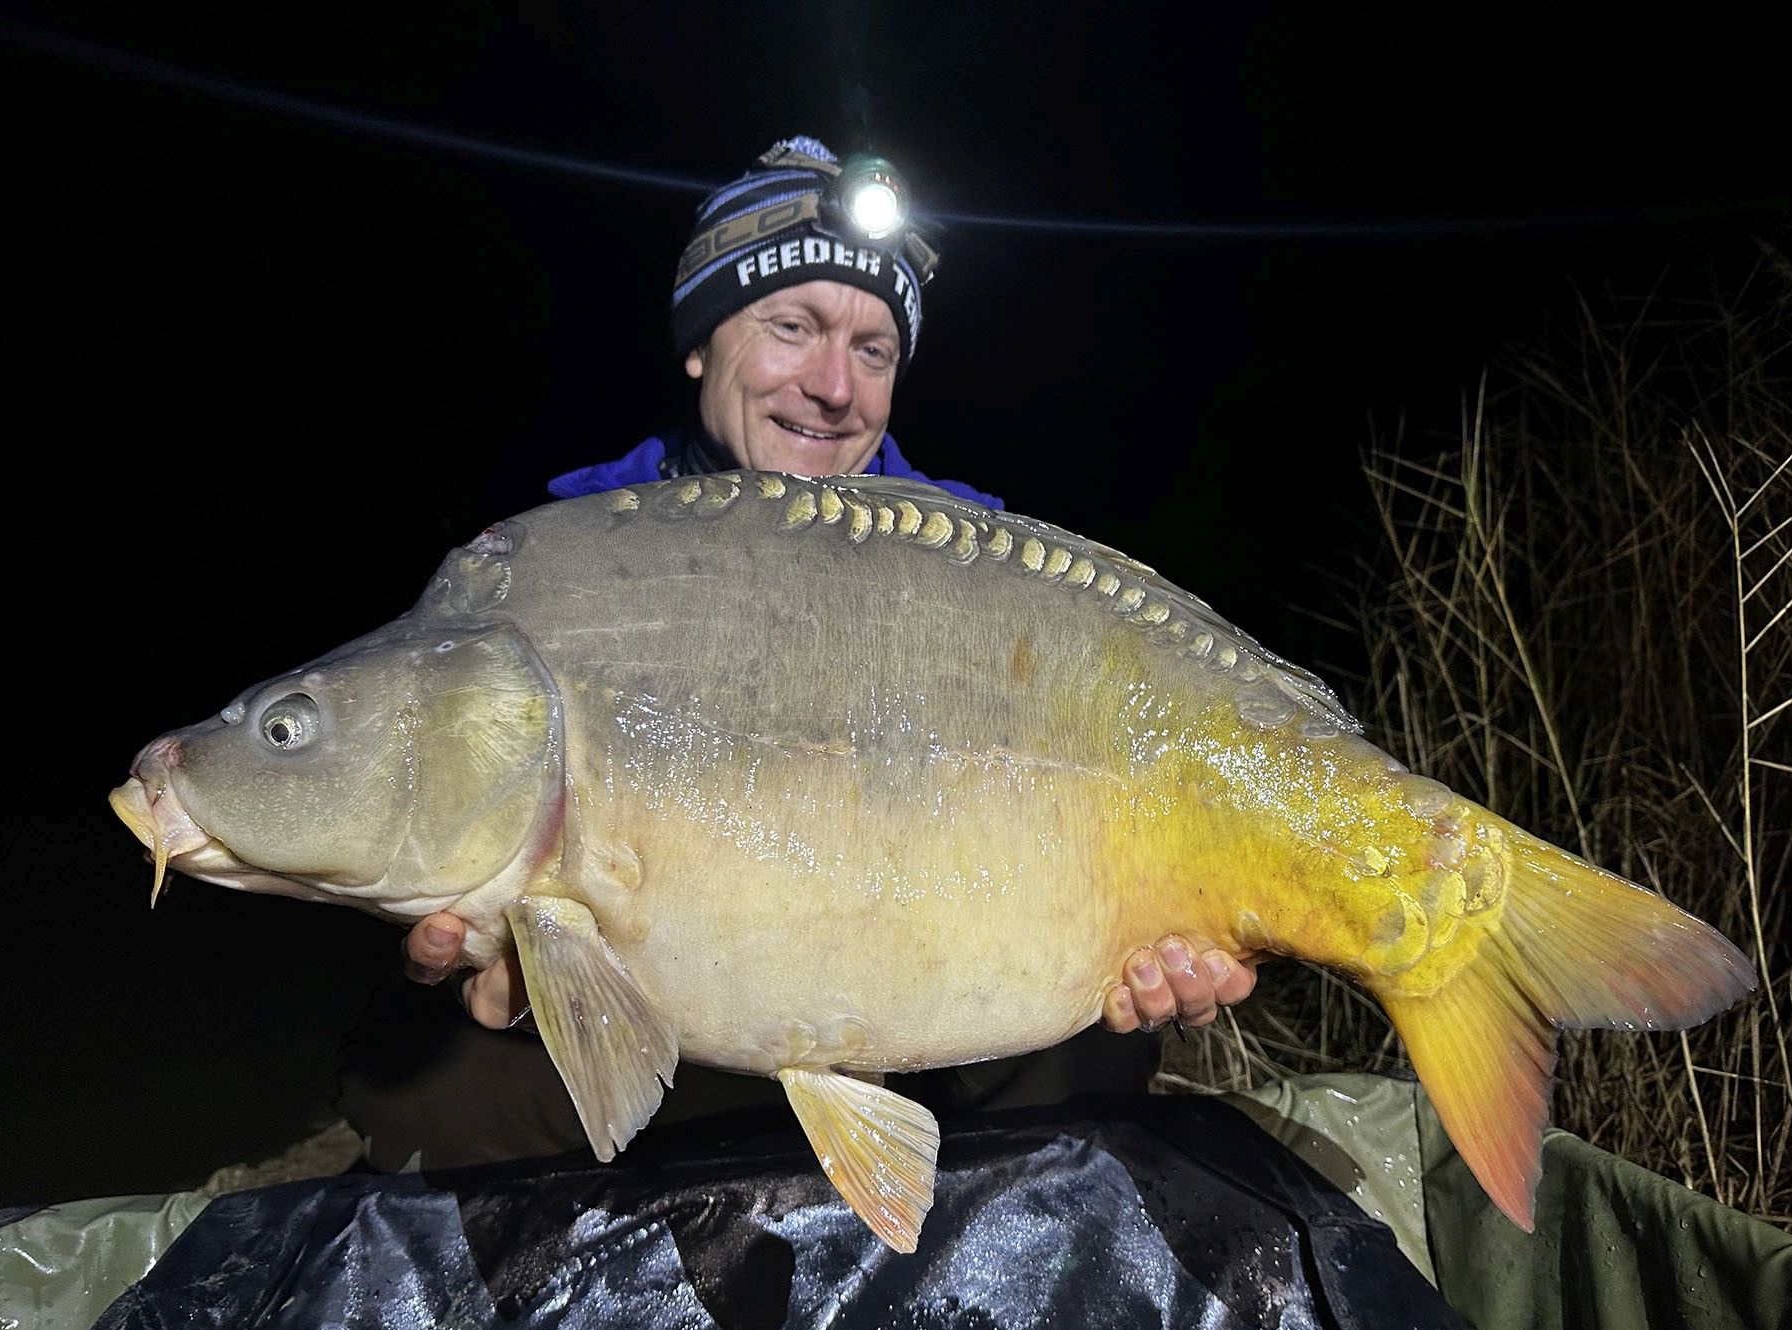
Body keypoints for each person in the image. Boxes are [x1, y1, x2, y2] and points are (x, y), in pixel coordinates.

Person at [338, 137, 1254, 1170]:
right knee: (420, 1082)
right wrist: (499, 964)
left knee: (1087, 1057)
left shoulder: (992, 572)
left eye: (874, 351)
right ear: (700, 343)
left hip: (929, 1011)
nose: (833, 386)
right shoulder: (563, 561)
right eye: (792, 327)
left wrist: (1164, 951)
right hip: (676, 1013)